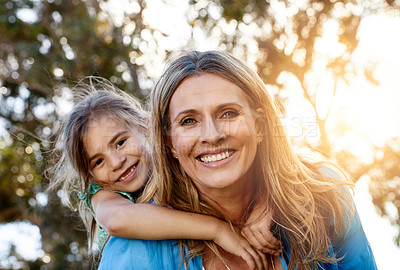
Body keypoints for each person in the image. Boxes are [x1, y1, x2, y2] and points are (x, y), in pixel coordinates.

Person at [99, 50, 377, 270]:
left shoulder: (324, 195)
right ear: (169, 142)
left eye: (229, 113)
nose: (212, 135)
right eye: (189, 121)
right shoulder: (133, 253)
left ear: (260, 126)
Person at [46, 77, 278, 269]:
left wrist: (264, 206)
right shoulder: (103, 196)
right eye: (97, 162)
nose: (116, 162)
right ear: (91, 177)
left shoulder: (181, 157)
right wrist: (217, 230)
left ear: (147, 126)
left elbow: (271, 171)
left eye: (120, 142)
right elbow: (118, 220)